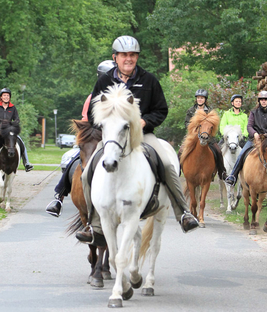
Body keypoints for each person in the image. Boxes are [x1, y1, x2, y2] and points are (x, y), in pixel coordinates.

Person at [76, 35, 200, 243]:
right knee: (86, 173)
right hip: (112, 138)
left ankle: (184, 213)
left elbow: (161, 110)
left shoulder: (149, 80)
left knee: (168, 164)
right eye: (124, 55)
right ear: (115, 57)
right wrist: (109, 127)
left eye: (133, 55)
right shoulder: (104, 81)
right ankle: (93, 224)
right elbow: (92, 116)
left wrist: (145, 121)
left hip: (143, 135)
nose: (129, 59)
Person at [45, 60, 117, 217]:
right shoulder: (92, 97)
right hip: (96, 138)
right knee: (73, 160)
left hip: (116, 139)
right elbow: (85, 121)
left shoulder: (120, 97)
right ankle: (59, 196)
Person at [224, 90, 267, 186]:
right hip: (254, 140)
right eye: (262, 99)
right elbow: (249, 126)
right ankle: (233, 176)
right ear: (259, 101)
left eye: (266, 99)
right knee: (242, 154)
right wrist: (254, 133)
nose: (264, 101)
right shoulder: (253, 112)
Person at [0, 88, 33, 174]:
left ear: (9, 97)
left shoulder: (13, 108)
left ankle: (26, 163)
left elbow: (17, 119)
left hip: (9, 131)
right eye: (4, 95)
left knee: (21, 143)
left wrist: (12, 125)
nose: (6, 97)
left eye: (8, 95)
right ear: (1, 97)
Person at [182, 89, 226, 180]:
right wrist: (195, 129)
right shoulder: (191, 110)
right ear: (196, 99)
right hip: (193, 137)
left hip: (208, 137)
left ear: (205, 99)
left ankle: (222, 172)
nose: (200, 100)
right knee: (181, 151)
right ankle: (179, 169)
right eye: (198, 98)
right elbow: (186, 123)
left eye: (202, 98)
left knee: (218, 151)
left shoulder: (210, 111)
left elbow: (214, 125)